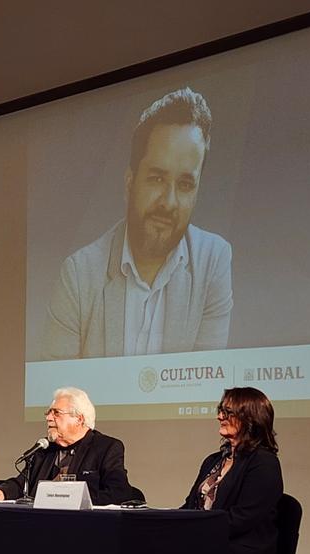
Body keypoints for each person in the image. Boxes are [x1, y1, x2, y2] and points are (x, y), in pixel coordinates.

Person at [41, 87, 232, 360]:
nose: (169, 202)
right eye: (157, 178)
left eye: (185, 184)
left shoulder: (213, 261)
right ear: (130, 182)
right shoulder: (79, 276)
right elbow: (56, 388)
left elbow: (207, 382)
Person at [181, 387, 283, 554]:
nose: (220, 417)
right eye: (220, 410)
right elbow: (191, 506)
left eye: (227, 412)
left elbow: (243, 519)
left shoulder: (264, 463)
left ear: (250, 418)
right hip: (208, 544)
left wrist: (195, 533)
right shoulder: (213, 461)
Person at [0, 387, 137, 506]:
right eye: (48, 413)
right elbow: (23, 483)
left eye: (56, 413)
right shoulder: (44, 449)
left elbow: (119, 492)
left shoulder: (106, 448)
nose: (48, 418)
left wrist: (70, 499)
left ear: (79, 419)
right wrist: (2, 492)